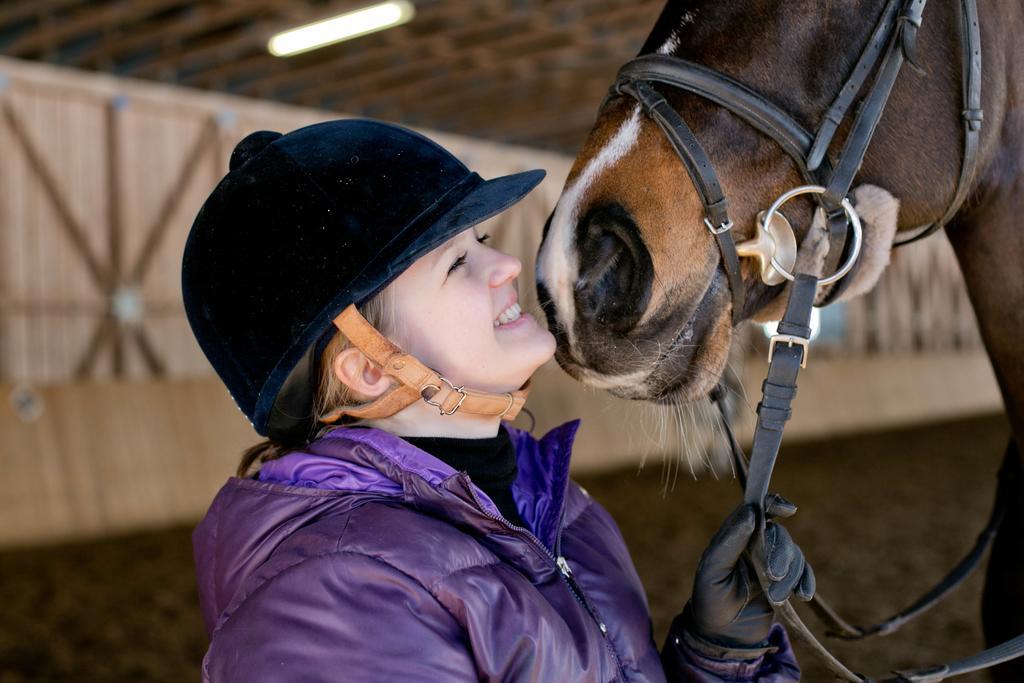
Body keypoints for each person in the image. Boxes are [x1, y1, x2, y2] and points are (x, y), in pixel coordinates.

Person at [181, 119, 812, 682]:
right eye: (457, 264)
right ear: (369, 370)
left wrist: (718, 657)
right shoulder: (332, 602)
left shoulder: (560, 508)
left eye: (481, 240)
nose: (507, 265)